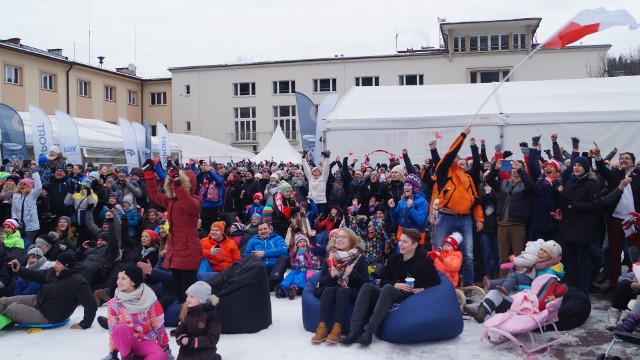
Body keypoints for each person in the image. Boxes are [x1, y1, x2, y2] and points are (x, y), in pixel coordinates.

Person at [341, 228, 441, 346]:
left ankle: (368, 332)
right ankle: (354, 330)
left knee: (388, 289)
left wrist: (424, 288)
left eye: (405, 242)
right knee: (367, 286)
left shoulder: (424, 262)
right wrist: (395, 284)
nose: (400, 244)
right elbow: (382, 280)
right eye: (400, 241)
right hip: (389, 292)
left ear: (414, 245)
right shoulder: (394, 258)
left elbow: (436, 281)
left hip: (407, 296)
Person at [142, 159, 203, 304]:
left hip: (189, 250)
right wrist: (149, 174)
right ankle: (184, 321)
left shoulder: (195, 201)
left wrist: (177, 182)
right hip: (175, 250)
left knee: (187, 293)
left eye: (178, 184)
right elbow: (154, 195)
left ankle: (190, 321)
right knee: (178, 291)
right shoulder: (171, 202)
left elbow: (186, 201)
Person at [430, 125, 484, 287]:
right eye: (454, 158)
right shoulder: (442, 172)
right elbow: (450, 154)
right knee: (440, 252)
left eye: (459, 160)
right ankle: (439, 286)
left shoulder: (467, 178)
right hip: (446, 218)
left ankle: (468, 287)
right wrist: (463, 135)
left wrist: (479, 218)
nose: (455, 160)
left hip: (465, 219)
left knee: (468, 256)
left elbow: (475, 199)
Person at [464, 240, 564, 323]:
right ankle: (481, 311)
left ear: (551, 256)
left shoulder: (548, 274)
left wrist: (518, 286)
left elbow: (538, 293)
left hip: (530, 303)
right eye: (541, 249)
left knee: (497, 291)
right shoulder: (541, 266)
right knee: (498, 289)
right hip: (527, 297)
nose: (540, 252)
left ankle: (481, 311)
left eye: (545, 252)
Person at [1, 252, 96, 329]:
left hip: (49, 315)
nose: (55, 266)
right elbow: (37, 275)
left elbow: (91, 304)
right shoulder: (54, 272)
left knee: (12, 309)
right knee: (3, 301)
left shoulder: (78, 282)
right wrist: (19, 270)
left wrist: (85, 323)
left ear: (67, 265)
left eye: (58, 263)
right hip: (39, 300)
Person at [594, 147, 640, 293]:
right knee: (614, 253)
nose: (623, 160)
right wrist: (598, 156)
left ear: (633, 163)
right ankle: (614, 284)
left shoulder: (638, 176)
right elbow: (602, 170)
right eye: (621, 158)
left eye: (627, 158)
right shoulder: (614, 174)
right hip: (615, 219)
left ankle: (637, 282)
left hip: (635, 220)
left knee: (635, 252)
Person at [311, 228, 368, 344]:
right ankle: (322, 328)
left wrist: (352, 274)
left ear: (351, 240)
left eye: (343, 237)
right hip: (333, 288)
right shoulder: (331, 257)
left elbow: (366, 283)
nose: (339, 239)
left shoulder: (360, 258)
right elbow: (321, 281)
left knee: (342, 291)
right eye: (337, 237)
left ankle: (337, 328)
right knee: (328, 291)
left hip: (352, 290)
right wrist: (332, 276)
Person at [103, 264, 171, 360]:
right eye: (118, 278)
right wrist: (113, 353)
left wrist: (165, 348)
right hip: (126, 343)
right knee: (119, 328)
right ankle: (129, 357)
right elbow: (112, 329)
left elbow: (159, 327)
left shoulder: (150, 300)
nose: (118, 281)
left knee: (159, 357)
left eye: (123, 278)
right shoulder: (114, 303)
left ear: (133, 281)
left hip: (145, 340)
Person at [485, 158, 535, 277]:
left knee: (519, 257)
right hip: (502, 225)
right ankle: (504, 281)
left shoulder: (525, 185)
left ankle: (520, 281)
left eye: (517, 168)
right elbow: (489, 180)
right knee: (503, 258)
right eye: (512, 169)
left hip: (517, 225)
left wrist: (521, 171)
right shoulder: (504, 183)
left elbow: (531, 185)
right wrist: (495, 168)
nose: (514, 171)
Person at [174, 281, 222, 360]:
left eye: (192, 296)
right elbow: (180, 331)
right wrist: (182, 339)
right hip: (187, 351)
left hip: (205, 351)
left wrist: (192, 341)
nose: (187, 299)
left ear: (201, 299)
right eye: (187, 296)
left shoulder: (211, 315)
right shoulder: (187, 312)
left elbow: (212, 338)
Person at [243, 221, 288, 289]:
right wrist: (253, 257)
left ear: (270, 229)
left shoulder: (277, 238)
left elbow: (283, 250)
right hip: (262, 268)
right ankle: (268, 284)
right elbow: (246, 255)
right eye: (260, 229)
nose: (263, 231)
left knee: (284, 257)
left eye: (265, 229)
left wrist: (264, 253)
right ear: (257, 231)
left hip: (276, 269)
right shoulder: (253, 241)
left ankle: (272, 281)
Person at [277, 233, 320, 300]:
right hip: (299, 270)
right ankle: (283, 288)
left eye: (304, 241)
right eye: (300, 242)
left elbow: (317, 265)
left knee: (300, 276)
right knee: (292, 273)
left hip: (308, 270)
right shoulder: (296, 254)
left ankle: (295, 288)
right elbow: (294, 267)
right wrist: (294, 261)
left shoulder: (311, 252)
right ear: (297, 245)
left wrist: (310, 261)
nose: (303, 243)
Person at [389, 174, 429, 244]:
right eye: (405, 185)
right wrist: (392, 208)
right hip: (402, 236)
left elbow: (420, 221)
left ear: (415, 187)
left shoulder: (422, 202)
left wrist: (411, 208)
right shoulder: (401, 202)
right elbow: (395, 220)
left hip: (415, 238)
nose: (406, 187)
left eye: (409, 185)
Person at [12, 171, 42, 241]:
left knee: (28, 244)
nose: (22, 185)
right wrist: (15, 220)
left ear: (29, 186)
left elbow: (38, 187)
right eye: (21, 183)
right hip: (20, 226)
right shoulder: (16, 196)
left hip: (31, 226)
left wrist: (34, 173)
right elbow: (13, 210)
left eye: (25, 184)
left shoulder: (32, 195)